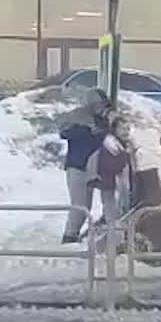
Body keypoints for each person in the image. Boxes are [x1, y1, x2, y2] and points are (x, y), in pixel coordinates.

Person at [60, 90, 111, 243]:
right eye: (99, 105)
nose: (102, 108)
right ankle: (70, 236)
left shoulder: (103, 120)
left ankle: (102, 228)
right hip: (78, 167)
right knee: (80, 206)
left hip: (98, 167)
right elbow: (64, 133)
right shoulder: (77, 117)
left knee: (104, 200)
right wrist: (87, 131)